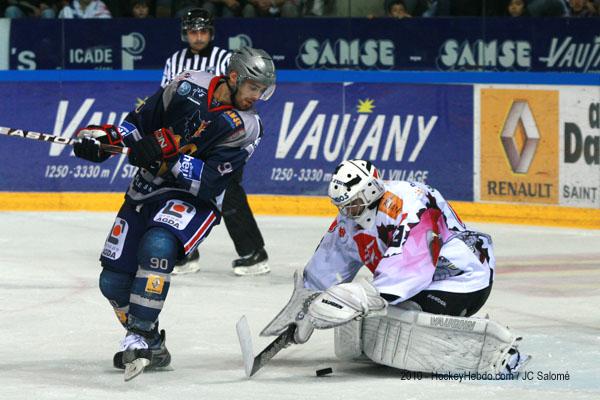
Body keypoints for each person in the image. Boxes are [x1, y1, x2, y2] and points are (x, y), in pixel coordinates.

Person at [72, 46, 276, 380]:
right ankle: (151, 340)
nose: (258, 96)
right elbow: (139, 124)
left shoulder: (247, 127)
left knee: (158, 246)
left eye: (262, 89)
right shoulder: (187, 83)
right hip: (147, 188)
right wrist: (105, 139)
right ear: (235, 77)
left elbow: (211, 182)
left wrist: (168, 156)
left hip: (194, 200)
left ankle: (136, 337)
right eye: (254, 87)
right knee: (111, 281)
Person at [261, 159, 529, 376]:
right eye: (342, 206)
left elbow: (414, 261)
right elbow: (331, 258)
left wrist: (365, 295)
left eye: (351, 204)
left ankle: (493, 353)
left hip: (462, 279)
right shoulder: (353, 215)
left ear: (370, 192)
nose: (347, 212)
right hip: (419, 283)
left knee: (402, 316)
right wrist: (305, 307)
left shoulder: (411, 201)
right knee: (383, 315)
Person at [162, 8, 271, 276]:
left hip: (226, 137)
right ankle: (186, 254)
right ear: (185, 33)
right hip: (191, 138)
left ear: (211, 32)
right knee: (179, 190)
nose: (198, 36)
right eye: (192, 31)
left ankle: (254, 253)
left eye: (203, 31)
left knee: (227, 191)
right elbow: (167, 99)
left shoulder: (227, 60)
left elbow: (243, 96)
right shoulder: (174, 61)